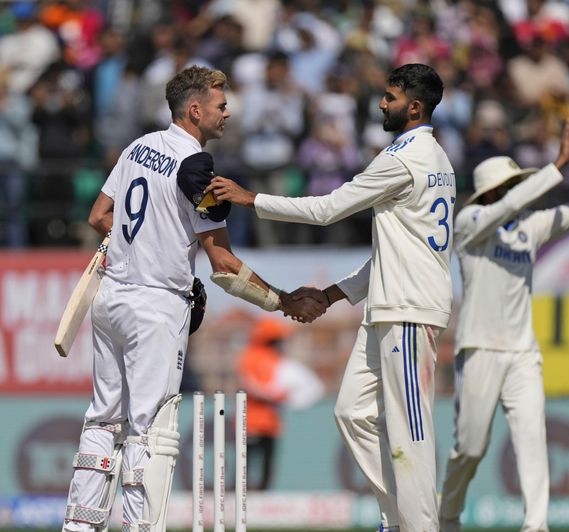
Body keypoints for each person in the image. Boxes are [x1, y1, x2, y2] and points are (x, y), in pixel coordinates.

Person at [62, 65, 323, 532]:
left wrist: (143, 249)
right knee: (150, 429)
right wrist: (283, 302)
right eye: (221, 106)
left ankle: (80, 526)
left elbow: (100, 215)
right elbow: (222, 264)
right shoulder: (197, 168)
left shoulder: (138, 146)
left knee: (103, 420)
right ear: (196, 110)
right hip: (156, 308)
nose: (228, 113)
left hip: (112, 298)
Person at [207, 63, 455, 531]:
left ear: (415, 107)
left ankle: (419, 526)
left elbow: (325, 209)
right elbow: (390, 253)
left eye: (391, 97)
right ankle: (399, 518)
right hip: (389, 306)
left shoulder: (405, 158)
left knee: (410, 431)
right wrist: (330, 295)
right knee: (353, 413)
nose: (381, 103)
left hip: (408, 310)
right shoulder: (437, 157)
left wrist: (250, 199)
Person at [439, 117, 569, 532]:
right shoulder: (469, 223)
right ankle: (447, 515)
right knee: (470, 448)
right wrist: (555, 166)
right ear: (494, 191)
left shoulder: (529, 228)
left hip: (523, 352)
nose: (517, 196)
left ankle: (536, 526)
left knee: (531, 438)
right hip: (479, 349)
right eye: (511, 187)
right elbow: (504, 209)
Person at [236, 317, 291, 491]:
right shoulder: (251, 355)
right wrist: (269, 394)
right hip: (251, 420)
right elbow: (248, 382)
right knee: (246, 461)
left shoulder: (277, 358)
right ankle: (241, 495)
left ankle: (263, 495)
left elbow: (284, 383)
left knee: (268, 462)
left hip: (271, 422)